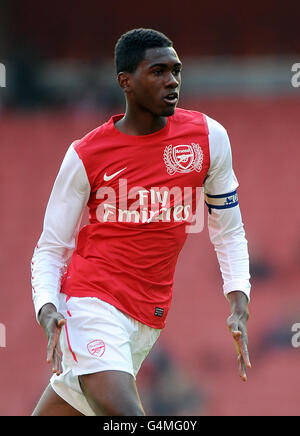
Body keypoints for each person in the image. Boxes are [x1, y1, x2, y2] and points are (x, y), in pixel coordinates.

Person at [31, 28, 251, 416]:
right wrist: (47, 307)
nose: (172, 81)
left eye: (176, 71)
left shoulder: (208, 138)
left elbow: (228, 231)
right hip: (89, 304)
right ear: (126, 82)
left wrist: (239, 300)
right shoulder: (86, 154)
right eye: (158, 72)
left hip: (147, 319)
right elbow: (51, 247)